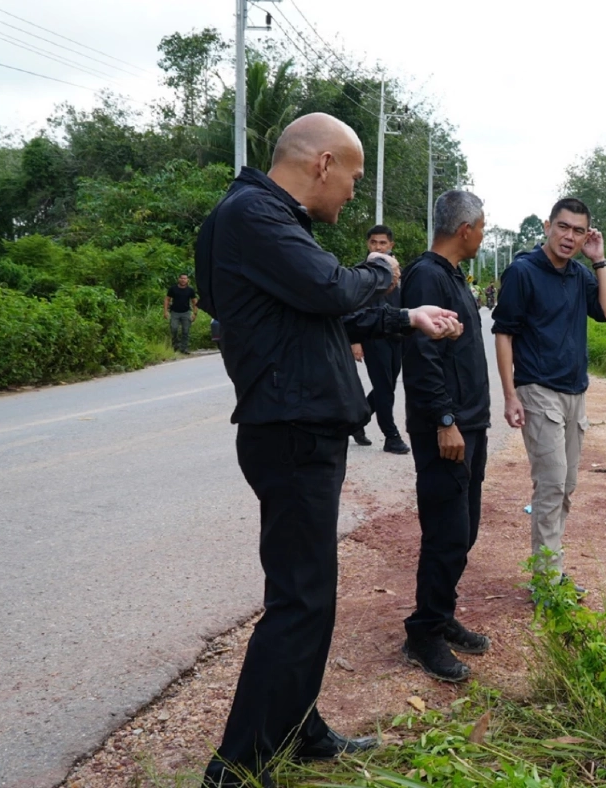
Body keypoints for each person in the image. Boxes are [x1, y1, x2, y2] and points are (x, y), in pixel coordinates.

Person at [193, 113, 462, 788]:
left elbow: (330, 313)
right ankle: (236, 767)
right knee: (299, 599)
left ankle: (298, 726)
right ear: (322, 164)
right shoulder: (255, 214)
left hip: (301, 427)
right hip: (289, 430)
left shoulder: (266, 219)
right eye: (353, 176)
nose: (352, 192)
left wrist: (407, 318)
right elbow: (332, 289)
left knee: (312, 594)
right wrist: (379, 271)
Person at [492, 197, 606, 591]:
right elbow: (503, 333)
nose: (569, 237)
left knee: (566, 486)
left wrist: (599, 261)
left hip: (574, 393)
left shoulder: (581, 275)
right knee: (550, 483)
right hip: (537, 389)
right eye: (563, 227)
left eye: (579, 231)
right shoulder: (523, 271)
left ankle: (553, 570)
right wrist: (510, 395)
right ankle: (547, 582)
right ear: (547, 226)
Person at [400, 190, 493, 683]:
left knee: (464, 530)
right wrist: (444, 420)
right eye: (482, 225)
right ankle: (423, 634)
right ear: (464, 230)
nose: (483, 233)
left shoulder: (453, 276)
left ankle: (440, 613)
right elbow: (421, 357)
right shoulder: (427, 276)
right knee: (446, 532)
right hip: (447, 429)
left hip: (470, 424)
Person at [349, 225, 411, 453]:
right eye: (374, 242)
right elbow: (353, 308)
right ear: (368, 244)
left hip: (396, 337)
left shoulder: (396, 272)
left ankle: (357, 423)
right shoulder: (363, 273)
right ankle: (391, 436)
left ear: (391, 246)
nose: (378, 247)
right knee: (384, 388)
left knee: (387, 387)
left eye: (383, 243)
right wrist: (355, 341)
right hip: (373, 337)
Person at [165, 274, 199, 353]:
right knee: (174, 328)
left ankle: (184, 348)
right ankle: (175, 344)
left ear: (187, 280)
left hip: (186, 312)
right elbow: (167, 299)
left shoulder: (190, 290)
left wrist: (195, 313)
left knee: (186, 331)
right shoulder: (173, 289)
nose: (183, 280)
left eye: (185, 278)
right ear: (179, 279)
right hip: (175, 312)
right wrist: (165, 311)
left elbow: (194, 302)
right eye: (182, 278)